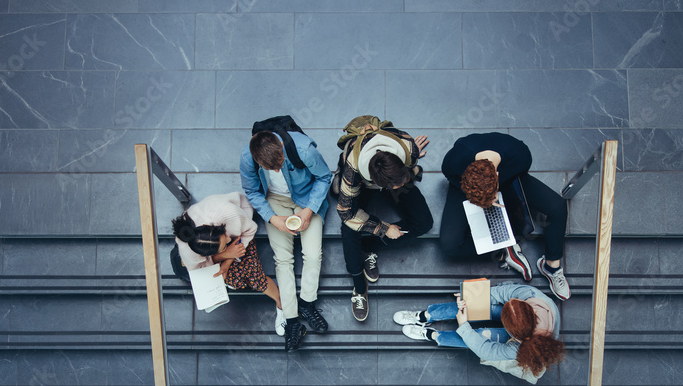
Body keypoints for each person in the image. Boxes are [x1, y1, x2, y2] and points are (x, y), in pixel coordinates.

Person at [440, 132, 570, 300]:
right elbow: (450, 176)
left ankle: (551, 266)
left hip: (509, 179)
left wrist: (498, 194)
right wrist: (476, 198)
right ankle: (504, 250)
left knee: (558, 207)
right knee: (449, 245)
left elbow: (521, 174)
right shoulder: (454, 161)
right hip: (468, 189)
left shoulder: (520, 155)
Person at [240, 128, 332, 349]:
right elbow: (252, 191)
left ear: (281, 147)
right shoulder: (247, 159)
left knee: (312, 254)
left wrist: (309, 210)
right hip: (274, 201)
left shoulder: (304, 150)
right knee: (283, 259)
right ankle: (291, 321)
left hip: (307, 197)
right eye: (271, 168)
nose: (278, 169)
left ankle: (307, 304)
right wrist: (273, 219)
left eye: (280, 163)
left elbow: (324, 176)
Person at [336, 116, 433, 321]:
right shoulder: (352, 172)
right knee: (348, 228)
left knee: (424, 222)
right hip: (363, 184)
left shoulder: (406, 147)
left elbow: (408, 163)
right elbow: (345, 212)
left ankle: (369, 246)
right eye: (394, 187)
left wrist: (411, 160)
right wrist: (383, 227)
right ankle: (359, 286)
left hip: (391, 173)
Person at [169, 191, 294, 349]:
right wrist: (224, 255)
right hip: (222, 249)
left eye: (224, 238)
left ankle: (281, 303)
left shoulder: (229, 214)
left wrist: (228, 259)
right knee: (234, 279)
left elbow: (248, 231)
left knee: (255, 279)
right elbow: (200, 268)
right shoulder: (188, 252)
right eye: (223, 244)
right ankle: (236, 271)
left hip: (241, 229)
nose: (228, 240)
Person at [393, 282, 565, 383]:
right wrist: (471, 298)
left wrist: (464, 326)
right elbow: (503, 292)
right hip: (522, 326)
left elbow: (485, 350)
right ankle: (425, 316)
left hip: (524, 340)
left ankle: (433, 335)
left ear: (515, 336)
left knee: (480, 336)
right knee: (475, 305)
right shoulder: (532, 296)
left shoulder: (521, 349)